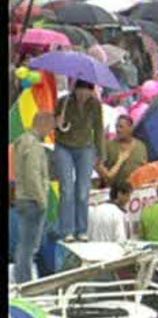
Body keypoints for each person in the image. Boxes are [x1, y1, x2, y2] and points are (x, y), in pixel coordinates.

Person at [54, 80, 104, 243]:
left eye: (86, 92)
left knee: (83, 191)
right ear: (74, 90)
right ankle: (66, 230)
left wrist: (100, 153)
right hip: (64, 147)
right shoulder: (64, 101)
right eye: (79, 91)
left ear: (91, 91)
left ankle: (82, 229)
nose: (82, 95)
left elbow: (98, 129)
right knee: (67, 189)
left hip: (85, 148)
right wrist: (57, 121)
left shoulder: (95, 105)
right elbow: (54, 126)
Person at [13, 111, 54, 283]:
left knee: (25, 245)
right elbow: (33, 174)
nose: (50, 131)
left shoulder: (22, 141)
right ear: (43, 123)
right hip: (32, 201)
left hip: (23, 198)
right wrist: (42, 200)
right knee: (29, 247)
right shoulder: (33, 144)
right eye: (50, 127)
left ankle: (22, 279)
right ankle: (24, 282)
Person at [96, 115, 148, 188]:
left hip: (134, 191)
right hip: (113, 192)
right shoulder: (108, 146)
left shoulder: (141, 146)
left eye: (121, 127)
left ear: (131, 128)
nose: (118, 130)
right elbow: (101, 170)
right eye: (116, 127)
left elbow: (144, 168)